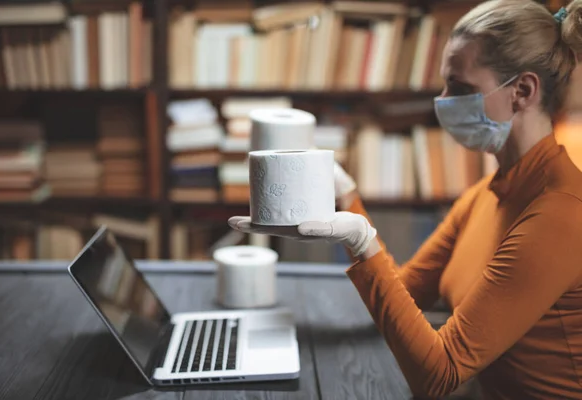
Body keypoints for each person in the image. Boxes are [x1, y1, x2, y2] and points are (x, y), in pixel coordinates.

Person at [229, 0, 582, 398]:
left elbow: (440, 374)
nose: (444, 100)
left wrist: (362, 242)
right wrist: (348, 198)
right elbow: (405, 293)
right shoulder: (487, 194)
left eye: (461, 88)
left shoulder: (560, 214)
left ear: (523, 90)